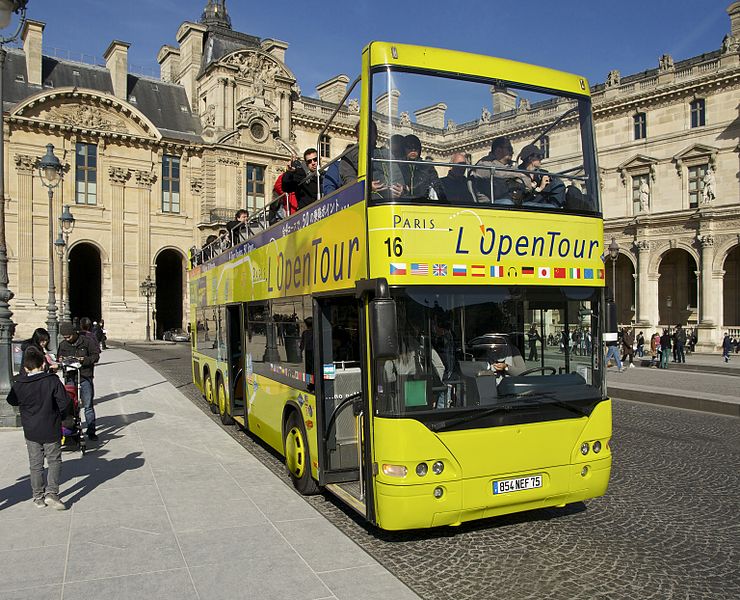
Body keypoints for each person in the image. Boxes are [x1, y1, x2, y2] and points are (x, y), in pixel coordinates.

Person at [6, 346, 70, 510]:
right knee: (54, 460)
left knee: (35, 464)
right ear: (43, 364)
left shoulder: (19, 383)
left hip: (31, 429)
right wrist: (60, 417)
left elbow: (11, 401)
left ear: (26, 367)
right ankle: (52, 493)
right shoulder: (52, 380)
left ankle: (38, 497)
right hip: (50, 426)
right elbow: (64, 403)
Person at [57, 321, 100, 441]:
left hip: (85, 376)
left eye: (69, 336)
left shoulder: (86, 342)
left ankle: (91, 431)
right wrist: (61, 360)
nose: (67, 339)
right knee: (70, 405)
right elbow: (59, 358)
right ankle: (71, 430)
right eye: (65, 337)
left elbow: (95, 356)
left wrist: (84, 360)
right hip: (70, 377)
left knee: (88, 405)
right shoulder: (63, 345)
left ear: (74, 333)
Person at [470, 136, 528, 203]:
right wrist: (516, 175)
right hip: (490, 204)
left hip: (513, 200)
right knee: (507, 203)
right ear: (498, 150)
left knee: (536, 206)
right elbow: (496, 173)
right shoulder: (484, 164)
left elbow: (525, 179)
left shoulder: (513, 165)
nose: (512, 152)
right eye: (509, 148)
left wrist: (521, 189)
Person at [399, 134, 438, 199]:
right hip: (401, 201)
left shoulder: (427, 166)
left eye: (416, 147)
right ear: (404, 148)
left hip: (421, 202)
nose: (413, 150)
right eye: (409, 147)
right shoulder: (398, 164)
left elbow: (437, 185)